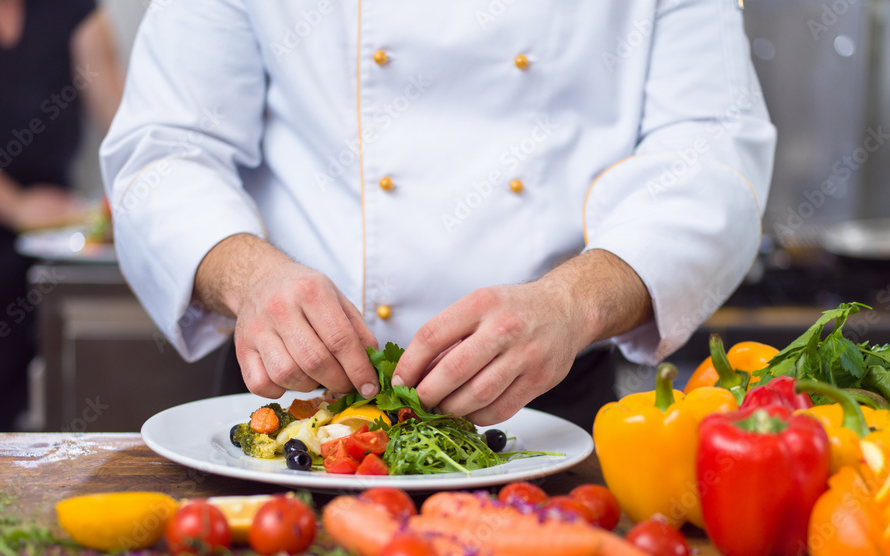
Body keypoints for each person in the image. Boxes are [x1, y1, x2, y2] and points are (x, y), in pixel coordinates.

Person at [101, 1, 776, 429]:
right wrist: (251, 280)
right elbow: (165, 148)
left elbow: (712, 155)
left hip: (541, 418)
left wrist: (573, 305)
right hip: (299, 410)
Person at [0, 0, 124, 471]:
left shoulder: (76, 12)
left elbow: (125, 125)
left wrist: (136, 201)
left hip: (47, 254)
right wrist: (16, 205)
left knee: (26, 437)